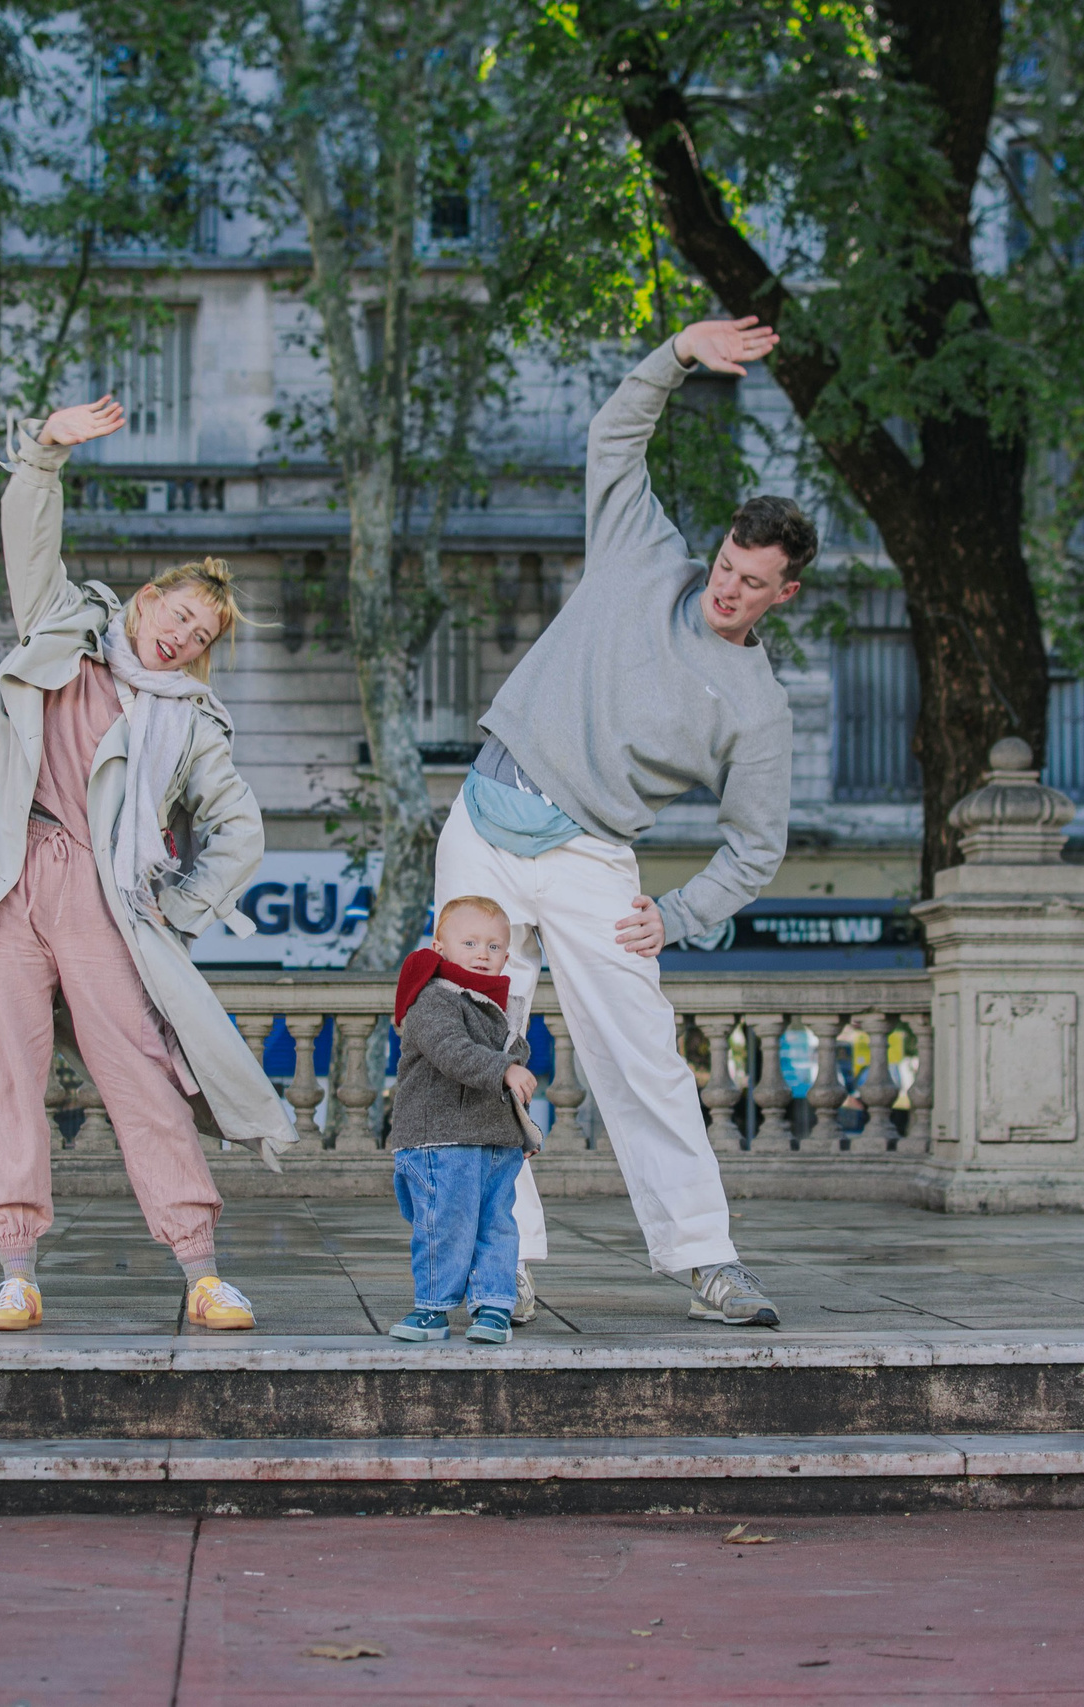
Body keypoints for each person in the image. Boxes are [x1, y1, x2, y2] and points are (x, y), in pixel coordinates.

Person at [433, 316, 816, 1328]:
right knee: (481, 1047)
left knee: (641, 1053)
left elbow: (754, 849)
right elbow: (615, 436)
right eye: (728, 565)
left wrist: (678, 914)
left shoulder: (757, 708)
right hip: (483, 818)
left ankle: (707, 1259)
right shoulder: (642, 549)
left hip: (593, 854)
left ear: (785, 592)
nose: (727, 590)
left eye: (751, 585)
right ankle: (499, 1268)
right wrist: (679, 354)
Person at [0, 395, 295, 1335]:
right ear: (145, 601)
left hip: (104, 891)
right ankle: (14, 1269)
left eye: (200, 637)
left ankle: (202, 1269)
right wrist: (47, 450)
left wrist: (181, 902)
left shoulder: (189, 720)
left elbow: (239, 826)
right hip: (11, 872)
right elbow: (30, 536)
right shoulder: (62, 626)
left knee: (140, 1069)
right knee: (2, 1065)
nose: (182, 638)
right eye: (178, 615)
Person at [385, 895, 540, 1346]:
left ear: (507, 955)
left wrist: (520, 1127)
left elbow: (516, 1081)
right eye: (470, 942)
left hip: (494, 1141)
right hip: (442, 1140)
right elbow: (452, 1052)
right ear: (439, 947)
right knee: (444, 1223)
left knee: (497, 1226)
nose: (482, 954)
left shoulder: (501, 1007)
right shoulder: (432, 998)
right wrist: (504, 1069)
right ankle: (433, 1307)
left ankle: (494, 1305)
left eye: (494, 946)